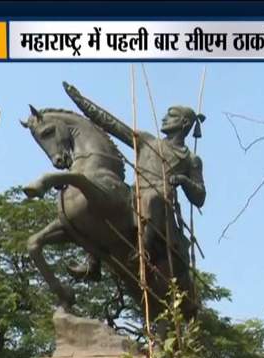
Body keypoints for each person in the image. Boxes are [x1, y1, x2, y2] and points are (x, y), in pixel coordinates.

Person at [63, 81, 206, 280]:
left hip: (160, 204)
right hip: (135, 194)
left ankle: (144, 249)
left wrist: (183, 180)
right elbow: (111, 124)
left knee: (154, 196)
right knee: (103, 196)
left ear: (184, 123)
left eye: (171, 116)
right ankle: (92, 261)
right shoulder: (147, 141)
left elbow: (200, 197)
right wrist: (81, 102)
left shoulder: (191, 160)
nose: (164, 118)